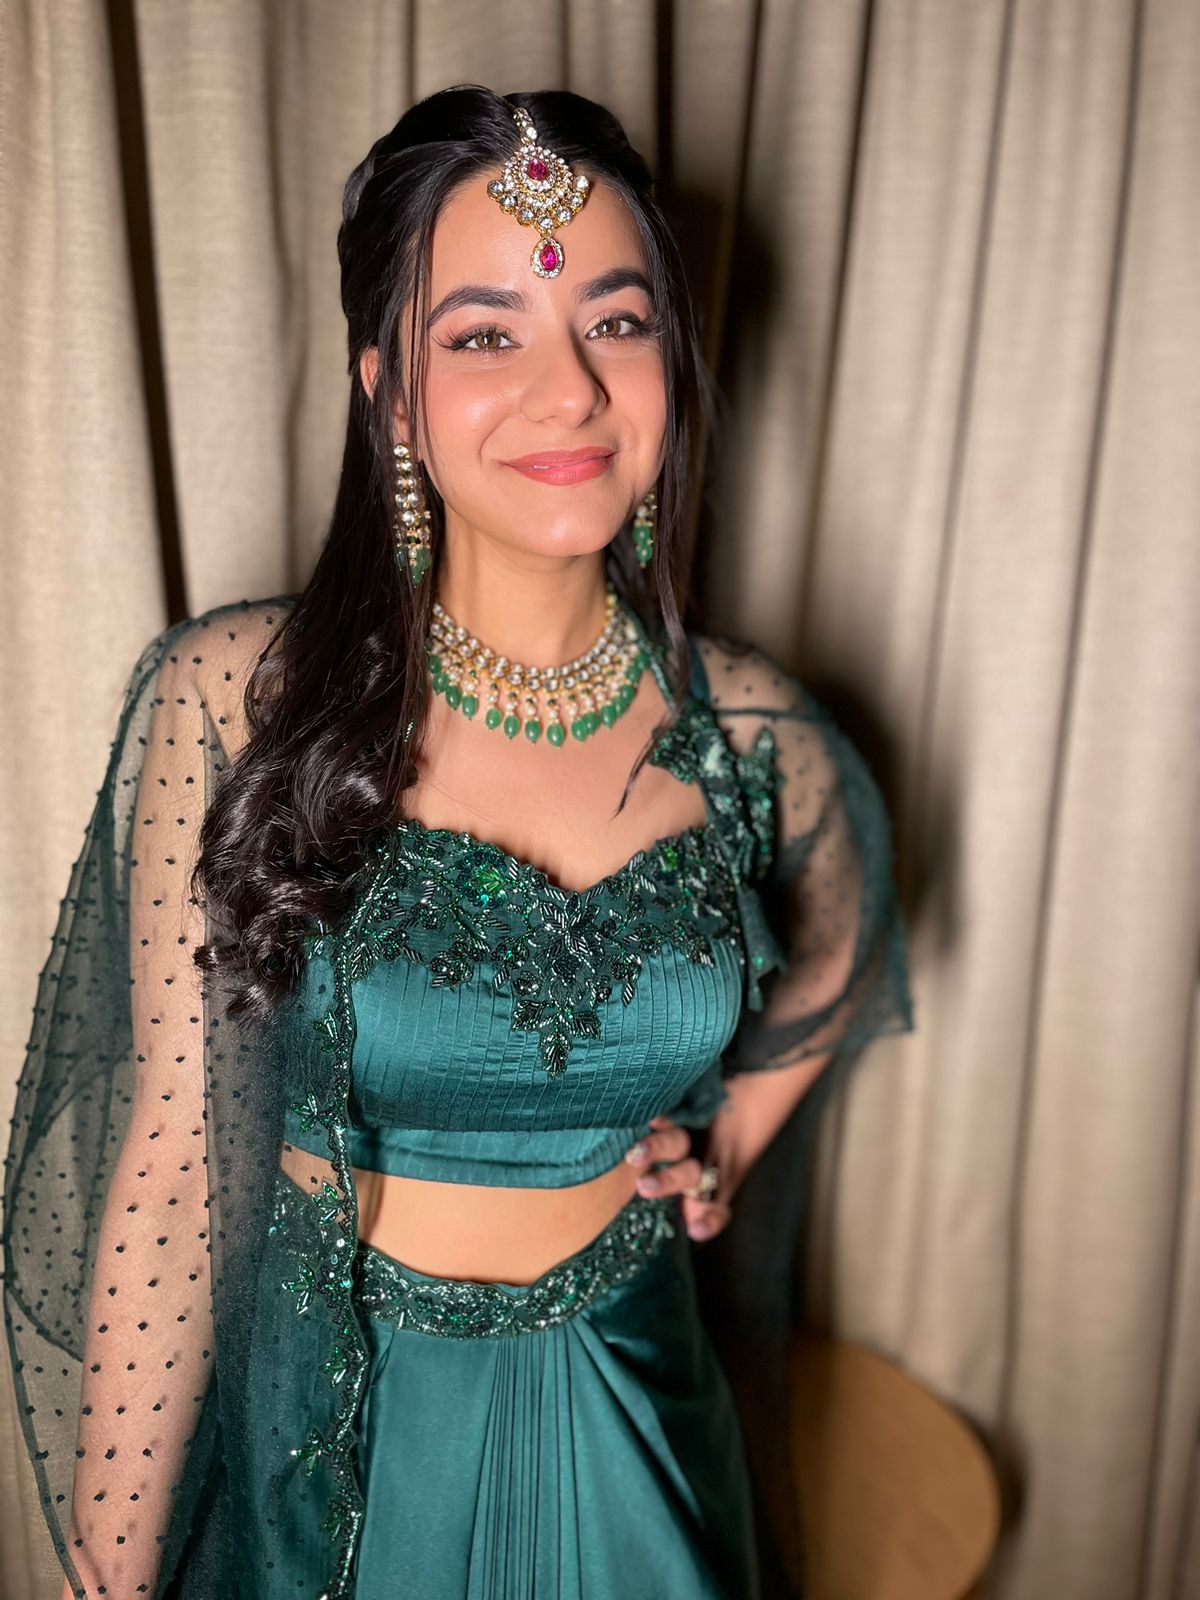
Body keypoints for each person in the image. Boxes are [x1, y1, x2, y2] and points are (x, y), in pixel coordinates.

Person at [2, 85, 915, 1600]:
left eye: (614, 323)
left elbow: (851, 927)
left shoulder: (752, 729)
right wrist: (107, 1574)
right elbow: (168, 1172)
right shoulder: (235, 700)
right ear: (389, 391)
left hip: (641, 1417)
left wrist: (727, 1140)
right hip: (342, 1445)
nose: (570, 391)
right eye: (486, 336)